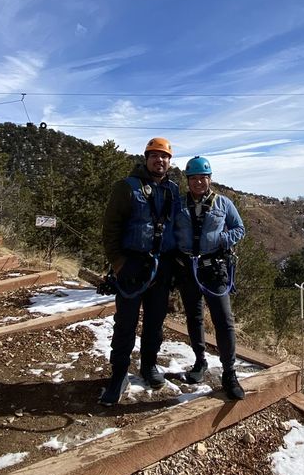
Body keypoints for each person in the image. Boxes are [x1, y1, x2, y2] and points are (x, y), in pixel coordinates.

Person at [99, 136, 181, 406]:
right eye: (155, 155)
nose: (160, 160)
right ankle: (119, 374)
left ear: (169, 162)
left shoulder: (173, 191)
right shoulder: (126, 187)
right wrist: (118, 263)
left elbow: (179, 227)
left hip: (162, 267)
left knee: (155, 324)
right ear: (146, 158)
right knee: (125, 324)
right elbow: (111, 228)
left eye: (165, 156)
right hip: (132, 265)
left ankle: (148, 366)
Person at [174, 155, 246, 400]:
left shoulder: (223, 204)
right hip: (187, 269)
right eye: (193, 178)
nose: (198, 183)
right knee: (194, 317)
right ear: (188, 180)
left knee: (224, 320)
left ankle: (229, 372)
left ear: (210, 179)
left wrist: (223, 240)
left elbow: (239, 228)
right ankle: (200, 361)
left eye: (202, 178)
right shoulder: (178, 203)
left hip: (214, 269)